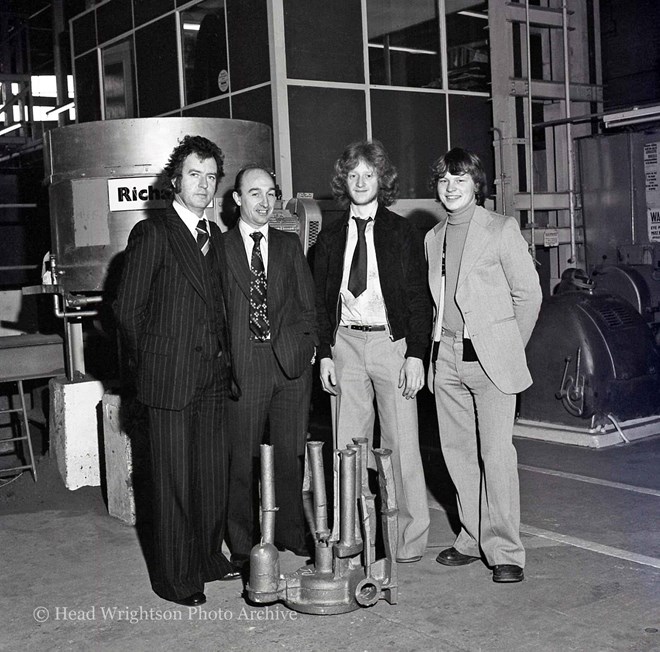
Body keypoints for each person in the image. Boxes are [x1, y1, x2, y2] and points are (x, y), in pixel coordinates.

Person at [114, 135, 241, 607]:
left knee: (210, 477)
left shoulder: (215, 238)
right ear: (175, 180)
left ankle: (207, 558)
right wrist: (150, 370)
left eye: (211, 177)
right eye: (195, 175)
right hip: (169, 380)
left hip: (212, 376)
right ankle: (174, 578)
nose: (204, 186)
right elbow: (127, 311)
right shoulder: (154, 233)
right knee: (170, 483)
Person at [425, 147, 542, 583]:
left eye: (460, 179)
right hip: (448, 358)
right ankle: (472, 537)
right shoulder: (432, 238)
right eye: (444, 180)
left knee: (496, 455)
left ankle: (506, 550)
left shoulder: (500, 229)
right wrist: (436, 356)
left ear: (477, 185)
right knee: (457, 455)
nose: (451, 188)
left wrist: (509, 347)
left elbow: (528, 295)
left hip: (491, 360)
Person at [314, 140, 432, 563]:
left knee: (401, 446)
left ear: (382, 181)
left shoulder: (403, 233)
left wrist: (416, 354)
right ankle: (353, 535)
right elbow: (319, 300)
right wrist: (325, 352)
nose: (361, 182)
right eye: (353, 175)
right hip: (344, 343)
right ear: (343, 182)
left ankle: (408, 539)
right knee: (347, 447)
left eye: (369, 174)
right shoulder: (327, 238)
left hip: (390, 344)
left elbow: (420, 299)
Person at [221, 165, 318, 567]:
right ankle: (243, 543)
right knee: (242, 459)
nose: (265, 202)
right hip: (245, 363)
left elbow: (306, 304)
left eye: (271, 193)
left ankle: (292, 532)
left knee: (290, 456)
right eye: (255, 193)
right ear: (237, 200)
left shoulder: (288, 244)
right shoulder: (220, 248)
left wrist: (308, 347)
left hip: (290, 365)